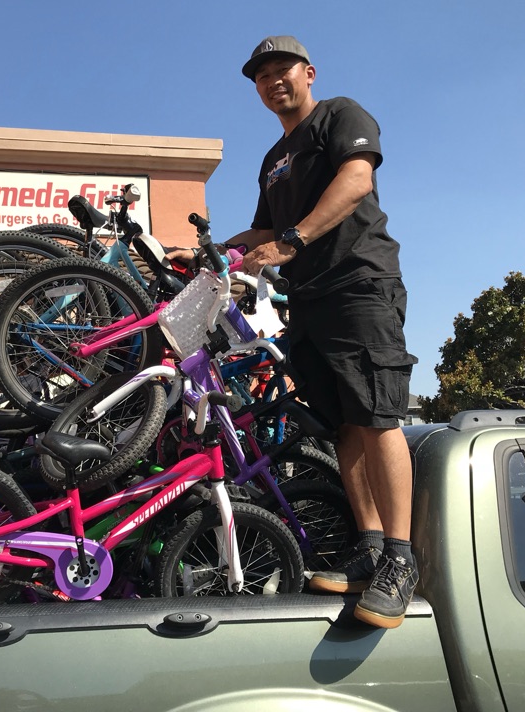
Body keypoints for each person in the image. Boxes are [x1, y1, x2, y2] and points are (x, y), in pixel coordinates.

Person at [172, 36, 419, 628]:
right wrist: (210, 254)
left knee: (377, 414)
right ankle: (367, 544)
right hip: (305, 300)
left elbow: (356, 180)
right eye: (261, 77)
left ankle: (401, 559)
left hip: (358, 284)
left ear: (307, 72)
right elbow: (262, 230)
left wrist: (295, 241)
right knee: (342, 424)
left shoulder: (341, 115)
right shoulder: (272, 159)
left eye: (282, 70)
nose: (272, 81)